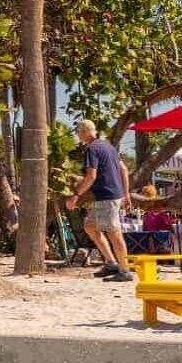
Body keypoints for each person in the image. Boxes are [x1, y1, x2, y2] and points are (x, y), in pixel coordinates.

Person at [67, 119, 131, 283]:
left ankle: (125, 270)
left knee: (113, 233)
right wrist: (126, 193)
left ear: (85, 132)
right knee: (89, 226)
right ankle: (111, 263)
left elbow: (91, 176)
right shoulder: (109, 146)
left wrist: (76, 195)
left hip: (107, 196)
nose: (78, 136)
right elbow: (124, 169)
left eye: (79, 132)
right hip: (109, 196)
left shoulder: (91, 149)